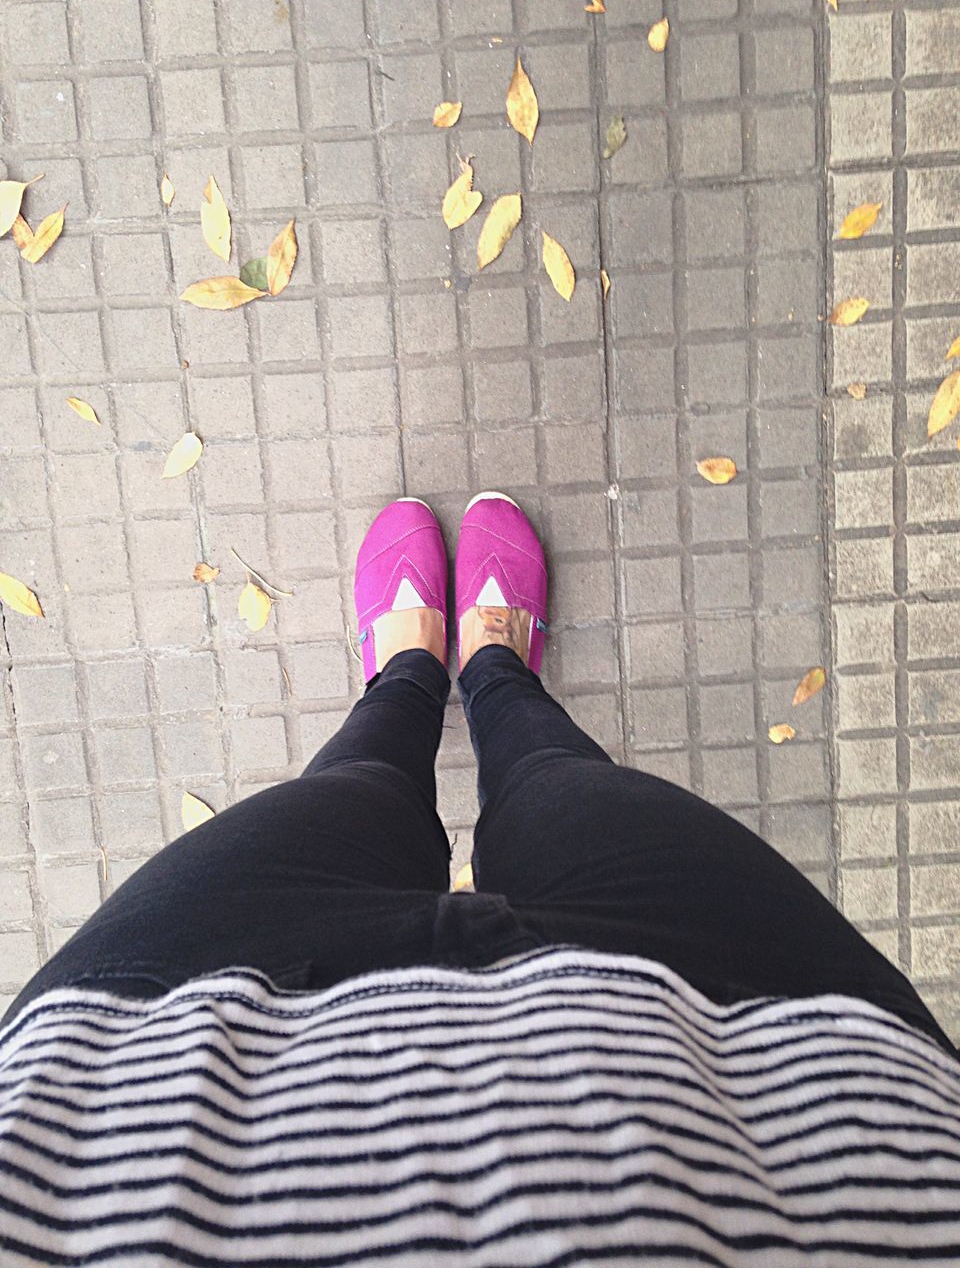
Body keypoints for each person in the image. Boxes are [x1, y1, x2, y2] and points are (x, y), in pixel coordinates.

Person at [1, 492, 959, 1266]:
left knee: (361, 787)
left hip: (145, 1067)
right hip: (767, 1068)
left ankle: (412, 667)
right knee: (556, 782)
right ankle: (494, 665)